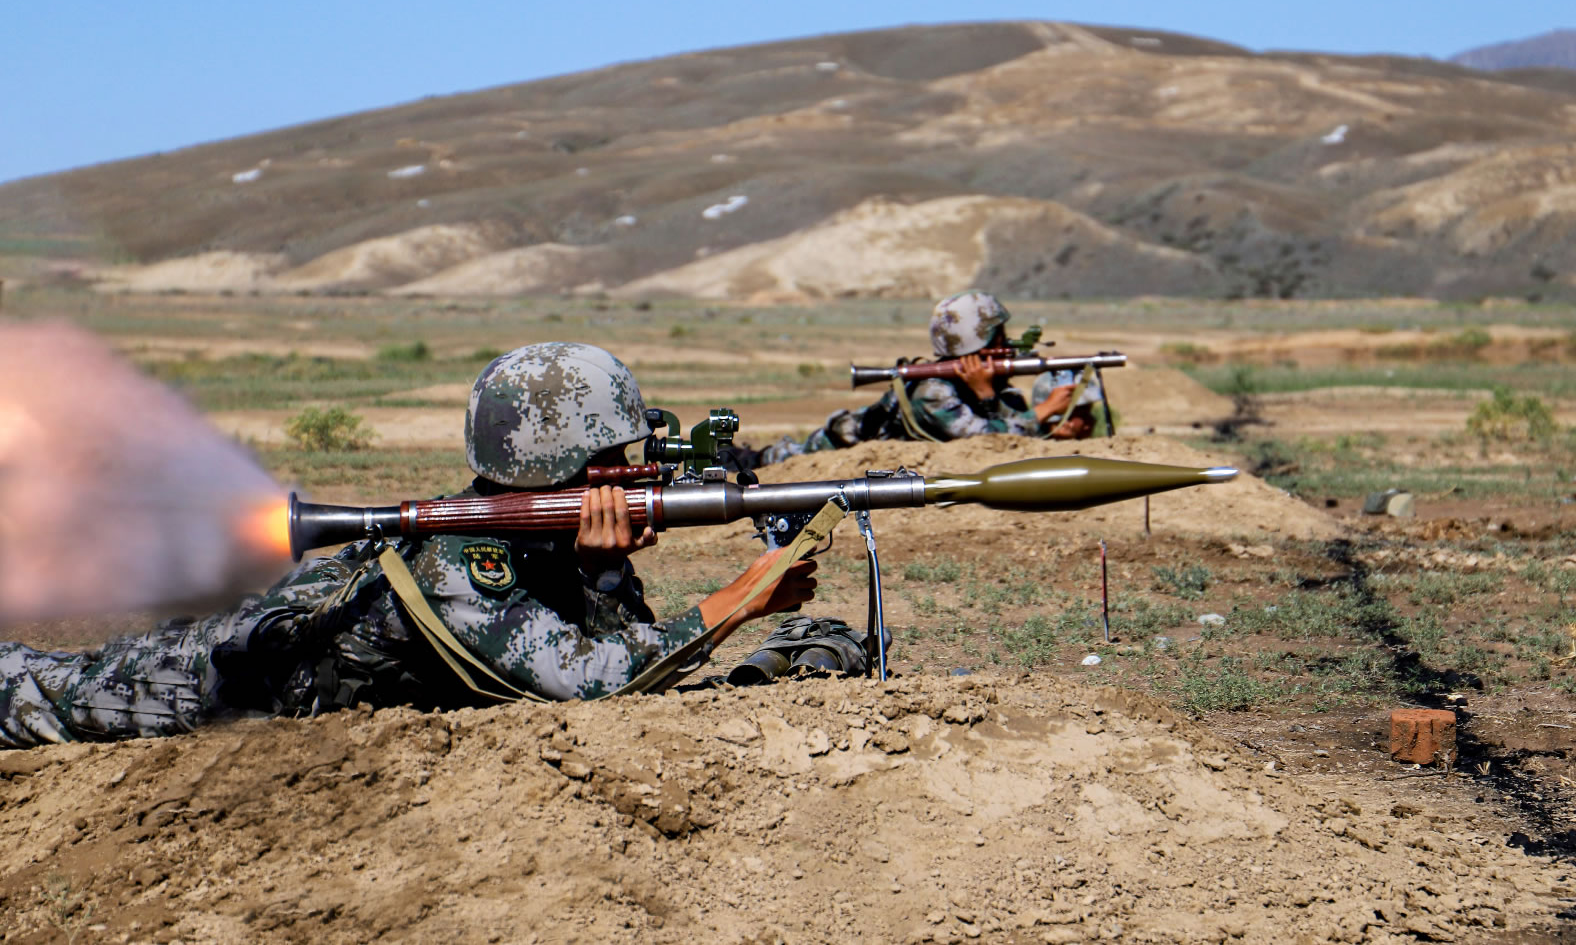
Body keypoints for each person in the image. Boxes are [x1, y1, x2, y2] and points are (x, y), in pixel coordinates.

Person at [0, 343, 820, 748]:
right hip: (217, 681)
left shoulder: (524, 537)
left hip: (277, 675)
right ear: (555, 465)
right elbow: (591, 679)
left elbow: (600, 639)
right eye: (610, 462)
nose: (629, 476)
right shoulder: (465, 560)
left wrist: (601, 567)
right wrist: (736, 601)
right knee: (42, 695)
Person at [746, 290, 1083, 467]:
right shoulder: (933, 392)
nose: (1004, 343)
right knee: (759, 462)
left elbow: (1008, 435)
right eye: (996, 336)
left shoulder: (981, 384)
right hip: (821, 454)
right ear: (975, 342)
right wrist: (1040, 413)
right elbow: (983, 441)